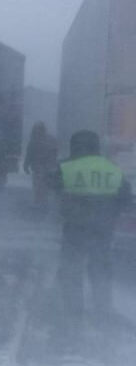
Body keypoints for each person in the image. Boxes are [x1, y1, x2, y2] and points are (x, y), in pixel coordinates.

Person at [49, 129, 131, 327]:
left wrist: (65, 208)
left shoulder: (66, 167)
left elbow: (52, 186)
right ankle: (102, 308)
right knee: (100, 268)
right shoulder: (112, 168)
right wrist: (110, 214)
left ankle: (73, 309)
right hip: (103, 229)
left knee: (71, 268)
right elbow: (125, 197)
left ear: (75, 146)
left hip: (75, 227)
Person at [24, 122, 58, 211]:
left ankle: (40, 204)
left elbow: (29, 154)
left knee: (40, 187)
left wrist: (26, 165)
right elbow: (54, 153)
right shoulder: (50, 139)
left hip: (40, 167)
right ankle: (42, 204)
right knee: (42, 187)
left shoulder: (34, 140)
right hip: (44, 168)